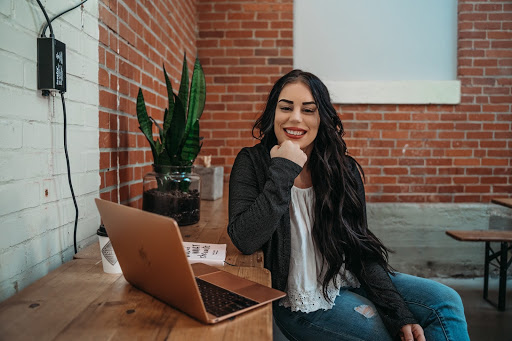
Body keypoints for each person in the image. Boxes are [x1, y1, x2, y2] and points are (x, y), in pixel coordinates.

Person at [227, 69, 469, 341]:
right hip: (298, 299)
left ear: (322, 118)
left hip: (347, 278)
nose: (295, 118)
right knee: (376, 330)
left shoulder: (342, 169)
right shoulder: (252, 162)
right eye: (286, 107)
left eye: (309, 110)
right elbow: (245, 238)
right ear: (273, 113)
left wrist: (398, 313)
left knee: (445, 302)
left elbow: (360, 249)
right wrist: (283, 168)